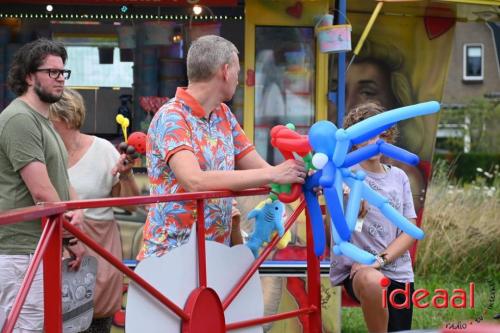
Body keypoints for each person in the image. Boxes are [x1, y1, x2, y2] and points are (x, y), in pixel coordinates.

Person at [137, 35, 306, 260]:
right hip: (171, 255)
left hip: (215, 256)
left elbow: (261, 169)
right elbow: (194, 181)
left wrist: (302, 172)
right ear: (225, 71)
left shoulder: (223, 114)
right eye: (237, 70)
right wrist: (275, 173)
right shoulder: (172, 117)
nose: (239, 78)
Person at [0, 38, 84, 332]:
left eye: (63, 73)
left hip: (38, 244)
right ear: (28, 76)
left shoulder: (43, 119)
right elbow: (41, 191)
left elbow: (59, 178)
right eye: (52, 72)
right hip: (20, 249)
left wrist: (75, 210)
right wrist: (73, 239)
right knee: (28, 328)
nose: (60, 79)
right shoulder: (20, 119)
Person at [49, 88, 140, 333]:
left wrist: (127, 174)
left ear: (66, 118)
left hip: (98, 245)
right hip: (53, 246)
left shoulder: (103, 151)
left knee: (96, 321)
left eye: (48, 118)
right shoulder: (42, 153)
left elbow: (131, 205)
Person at [329, 102, 418, 333]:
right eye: (368, 136)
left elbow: (410, 230)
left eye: (381, 134)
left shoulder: (399, 177)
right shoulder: (345, 175)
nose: (375, 142)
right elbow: (340, 234)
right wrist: (355, 212)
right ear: (356, 140)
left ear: (388, 136)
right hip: (359, 270)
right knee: (373, 281)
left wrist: (381, 259)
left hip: (398, 271)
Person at [342, 37, 432, 215]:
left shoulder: (403, 176)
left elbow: (403, 230)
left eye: (367, 92)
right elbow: (347, 231)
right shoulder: (345, 172)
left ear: (395, 99)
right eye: (340, 90)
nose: (348, 104)